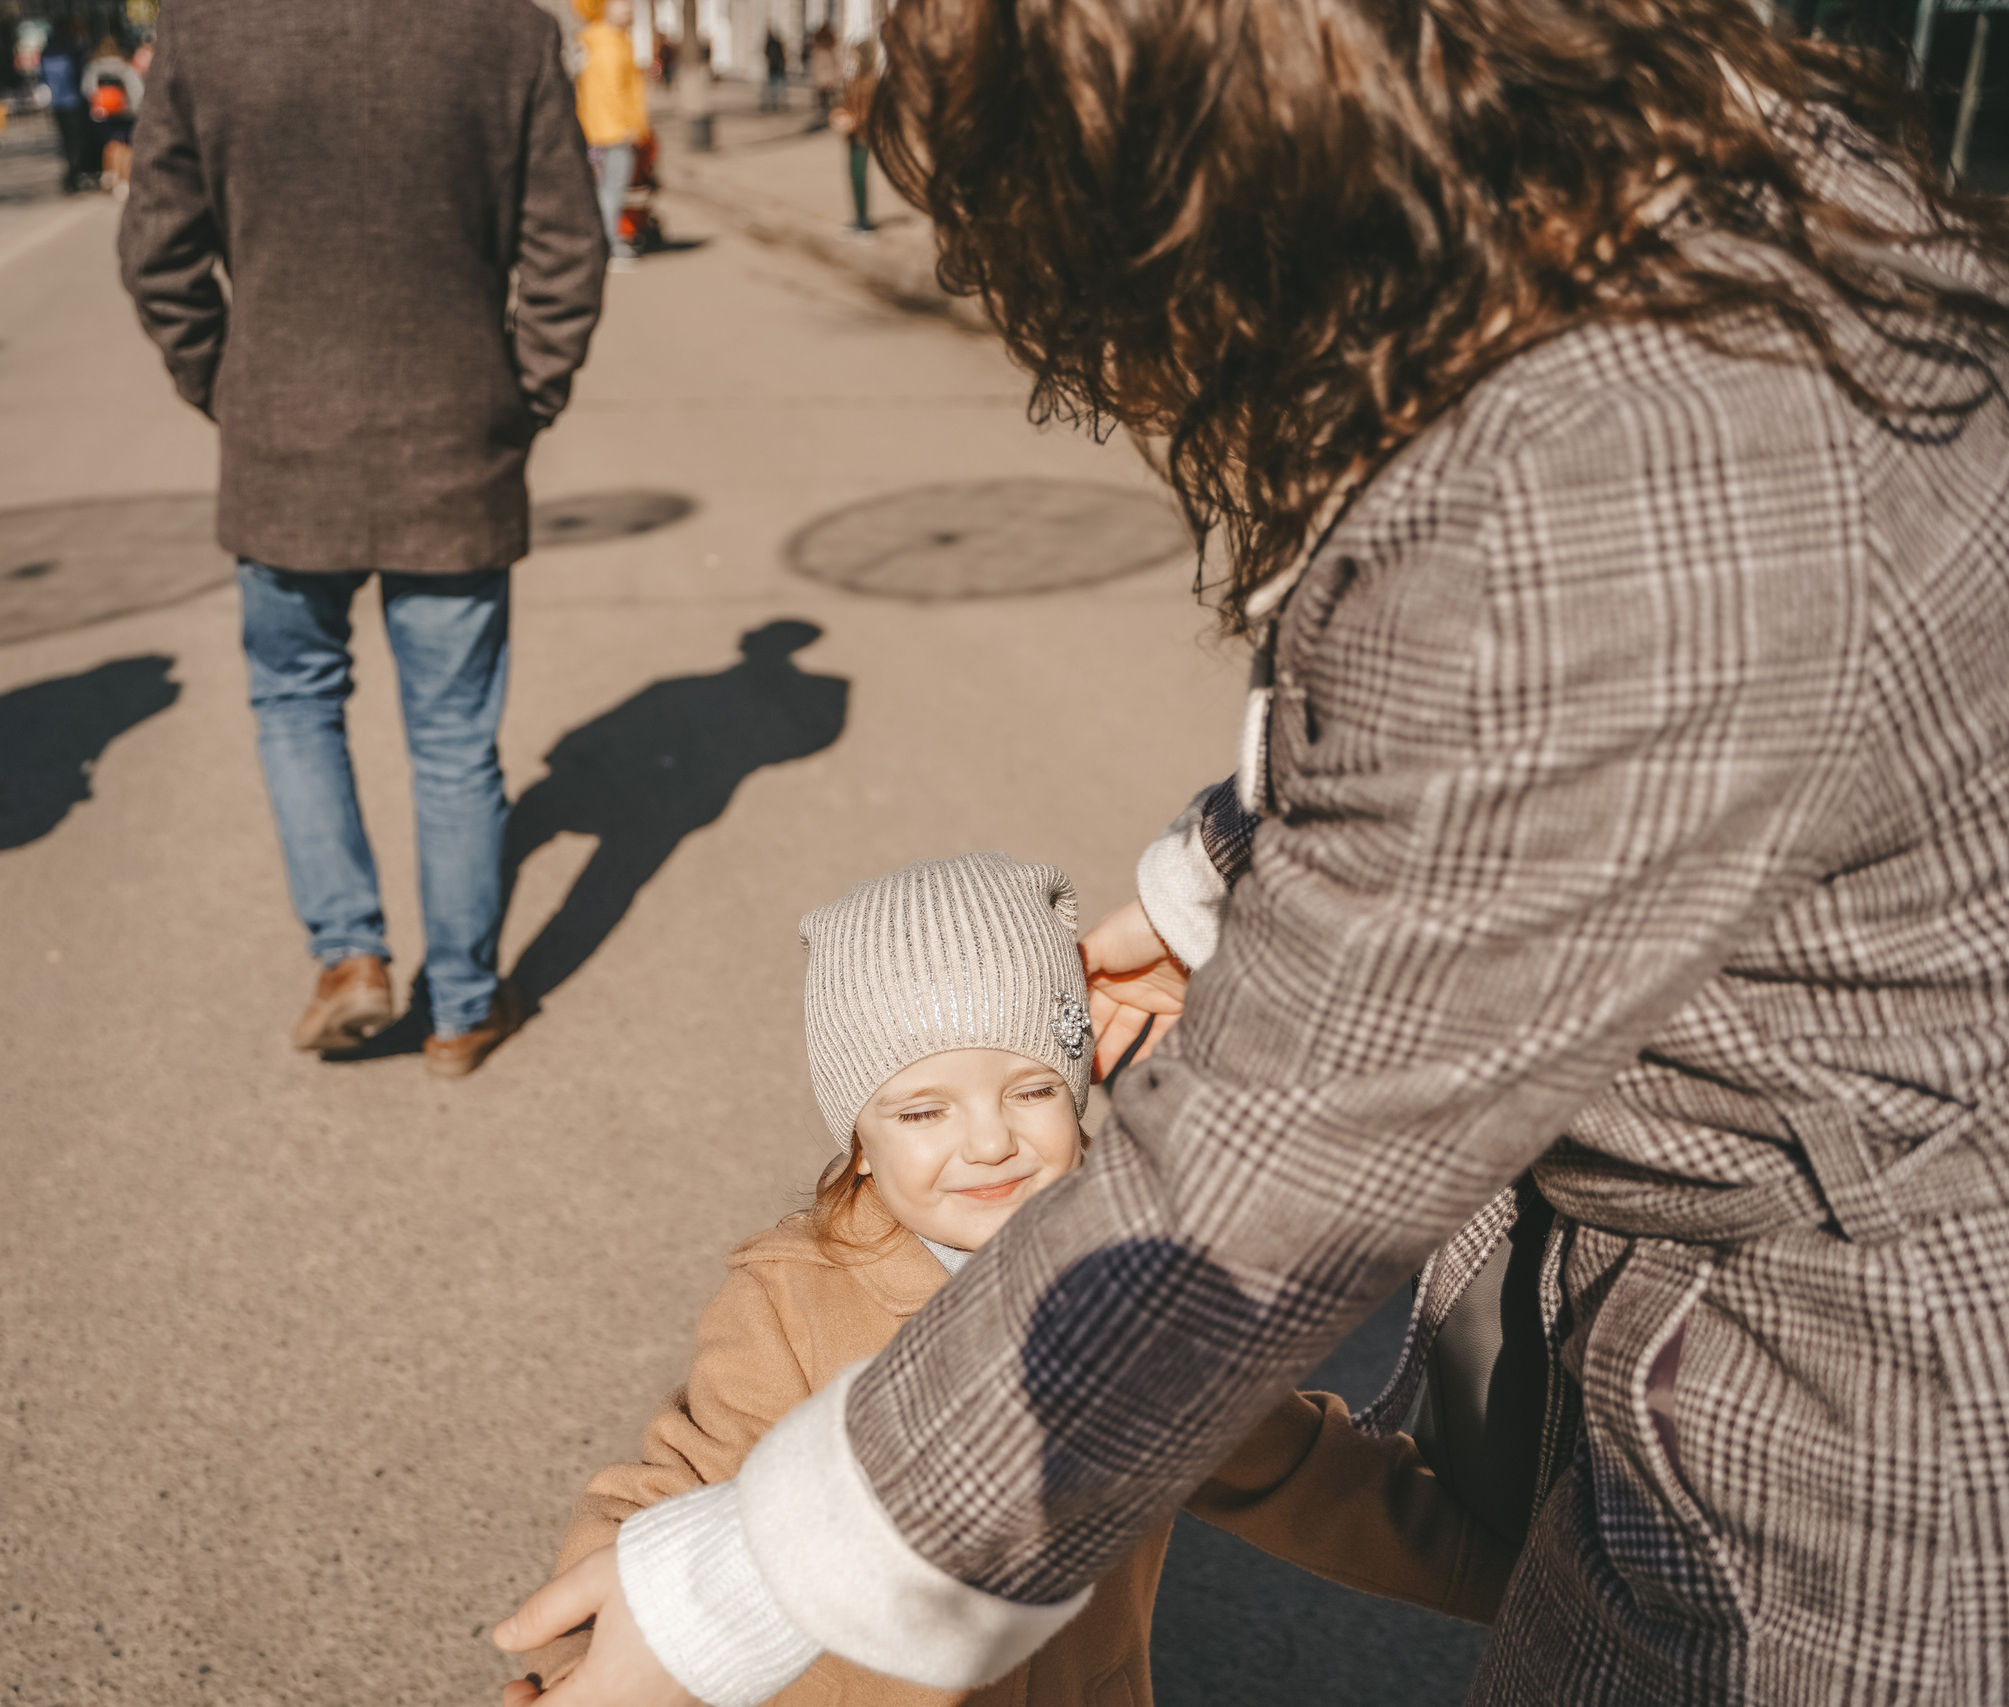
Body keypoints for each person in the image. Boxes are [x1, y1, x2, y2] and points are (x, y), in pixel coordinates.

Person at [495, 0, 2009, 1698]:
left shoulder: (1631, 479)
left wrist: (735, 1595)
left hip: (1854, 1416)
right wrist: (1212, 886)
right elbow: (1539, 753)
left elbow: (1280, 1163)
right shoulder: (1680, 205)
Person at [519, 853, 1513, 1703]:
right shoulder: (789, 1296)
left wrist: (1537, 1583)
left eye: (1031, 1088)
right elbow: (678, 1482)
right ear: (857, 1142)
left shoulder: (1137, 1297)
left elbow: (1308, 1476)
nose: (989, 1141)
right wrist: (585, 1656)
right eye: (922, 1112)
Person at [119, 0, 605, 1078]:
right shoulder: (505, 33)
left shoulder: (208, 29)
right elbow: (568, 250)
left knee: (297, 703)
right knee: (452, 742)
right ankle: (465, 1006)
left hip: (282, 444)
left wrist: (229, 390)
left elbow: (158, 255)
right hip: (455, 446)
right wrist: (518, 399)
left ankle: (349, 961)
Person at [573, 0, 647, 265]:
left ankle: (603, 243)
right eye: (621, 4)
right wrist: (627, 126)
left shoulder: (601, 39)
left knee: (604, 189)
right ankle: (607, 245)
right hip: (613, 131)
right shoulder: (608, 43)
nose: (628, 9)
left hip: (599, 130)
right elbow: (611, 90)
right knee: (611, 190)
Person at [81, 35, 139, 195]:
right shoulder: (124, 67)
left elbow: (87, 89)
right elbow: (136, 90)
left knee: (111, 143)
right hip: (125, 112)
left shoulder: (93, 66)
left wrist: (98, 105)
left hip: (104, 113)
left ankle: (110, 171)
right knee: (126, 146)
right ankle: (124, 180)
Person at [39, 21, 92, 193]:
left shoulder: (46, 52)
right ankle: (73, 175)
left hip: (56, 102)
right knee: (77, 141)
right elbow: (81, 74)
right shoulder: (72, 49)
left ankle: (71, 176)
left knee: (65, 141)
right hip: (73, 101)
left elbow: (43, 78)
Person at [829, 41, 875, 236]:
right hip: (852, 136)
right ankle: (857, 219)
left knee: (859, 176)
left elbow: (872, 112)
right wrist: (839, 114)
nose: (853, 58)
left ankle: (864, 222)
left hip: (863, 136)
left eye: (856, 55)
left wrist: (853, 120)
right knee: (852, 176)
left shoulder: (872, 81)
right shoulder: (854, 78)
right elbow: (847, 102)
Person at [805, 23, 840, 130]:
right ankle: (827, 116)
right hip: (829, 77)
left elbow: (816, 66)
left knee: (823, 98)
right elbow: (835, 64)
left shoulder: (818, 49)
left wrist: (817, 79)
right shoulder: (831, 48)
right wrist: (835, 77)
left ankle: (825, 115)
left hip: (823, 78)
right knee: (829, 98)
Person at [761, 29, 787, 113]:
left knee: (772, 85)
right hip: (778, 67)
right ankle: (777, 101)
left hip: (772, 67)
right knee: (778, 86)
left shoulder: (769, 44)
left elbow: (765, 53)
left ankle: (774, 102)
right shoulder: (778, 44)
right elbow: (782, 56)